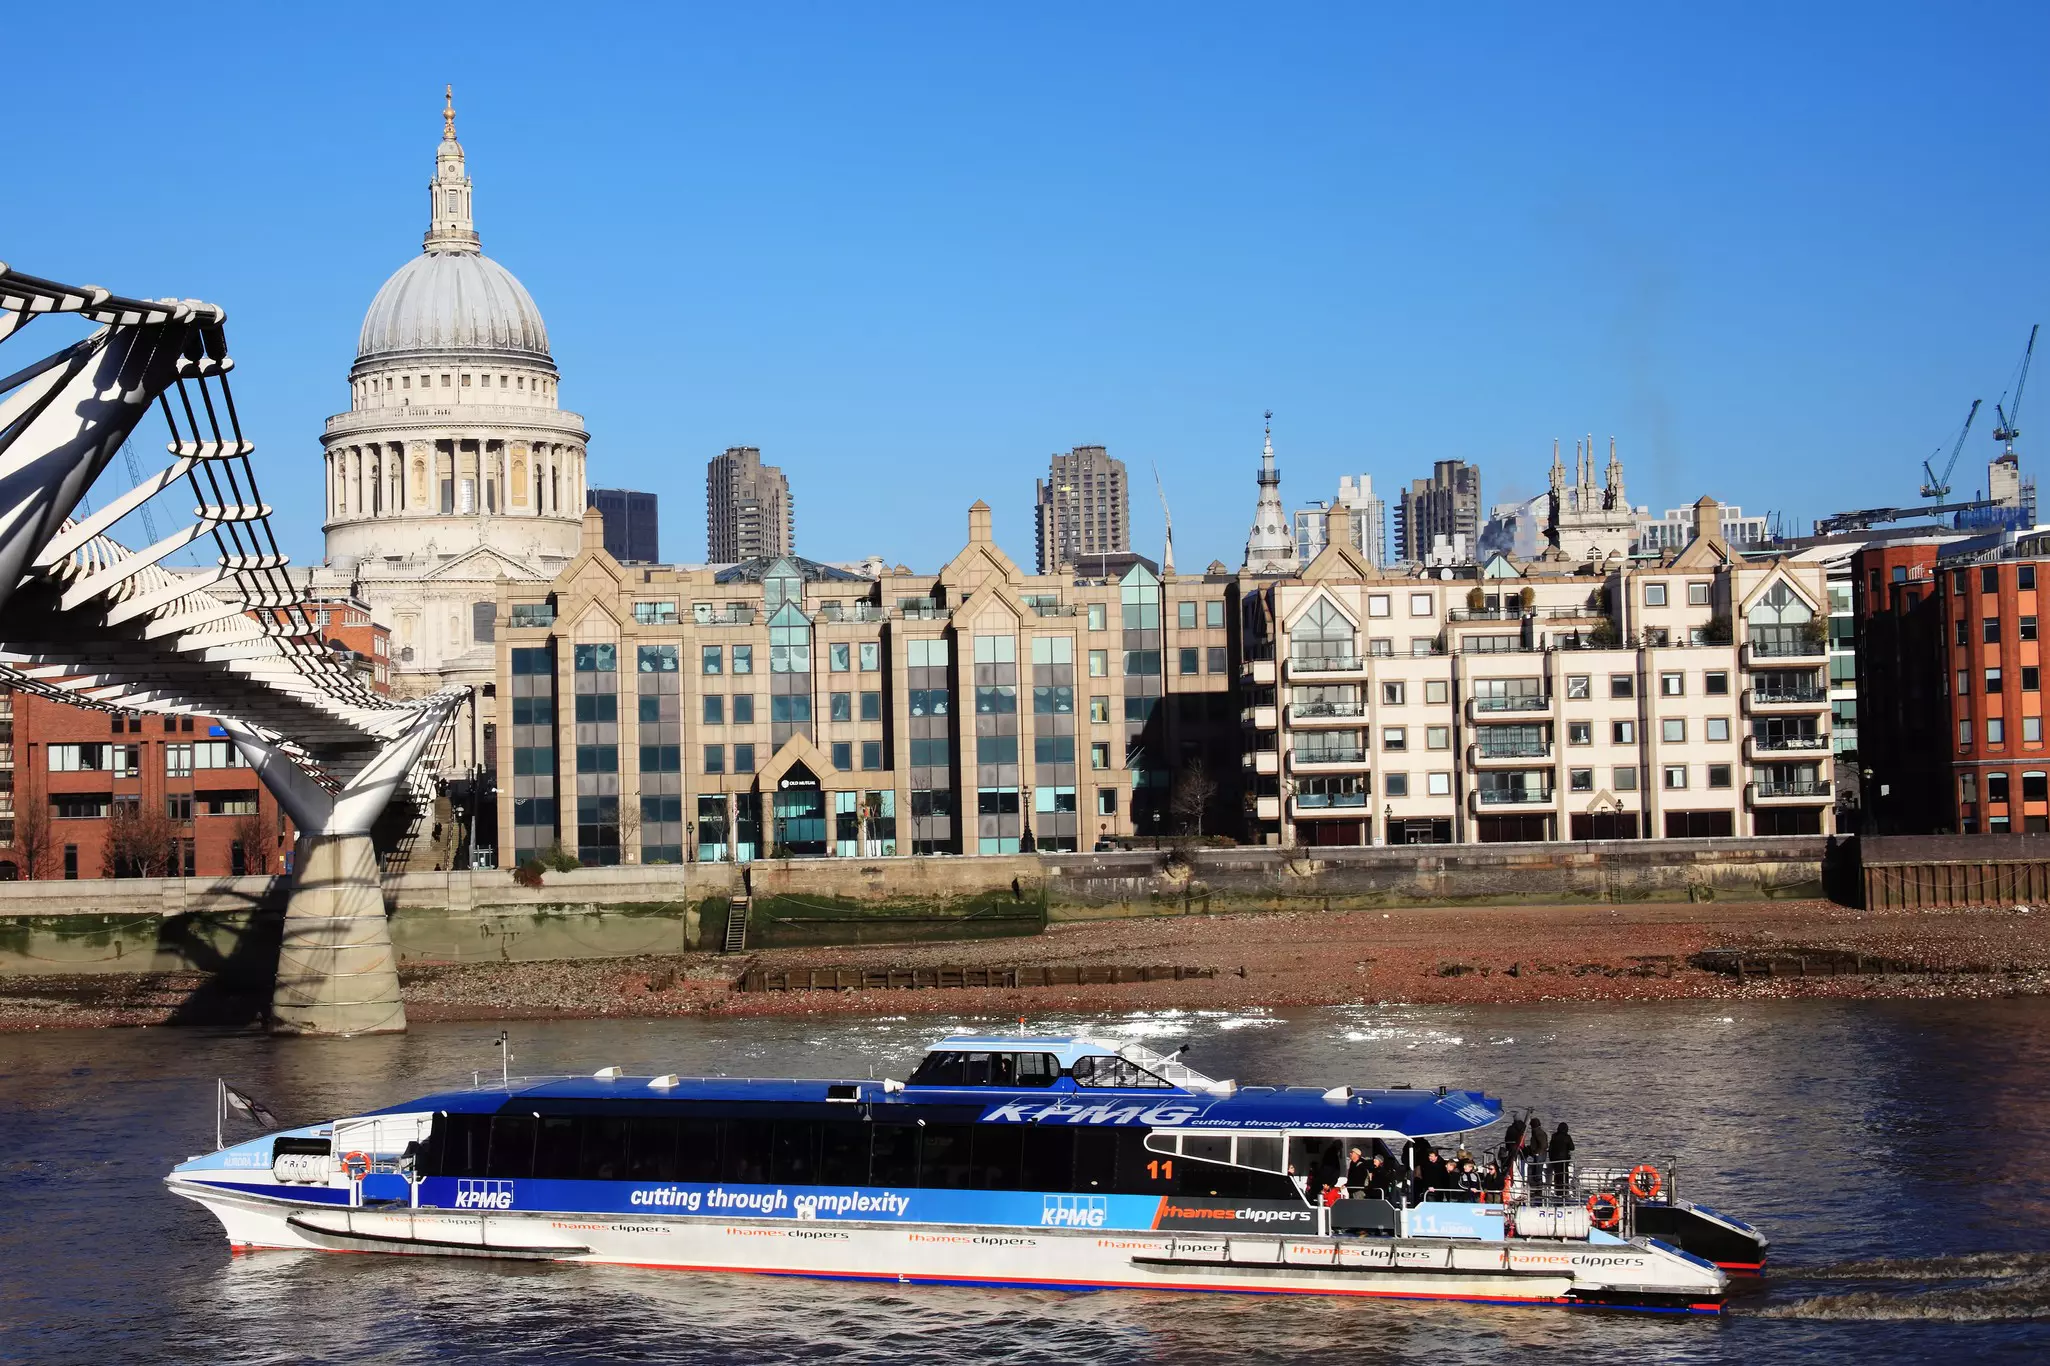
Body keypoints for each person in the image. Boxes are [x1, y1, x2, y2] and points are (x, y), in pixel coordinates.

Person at [1548, 1122, 1575, 1196]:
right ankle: (1565, 1191)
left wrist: (1551, 1158)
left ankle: (1558, 1191)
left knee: (1557, 1176)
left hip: (1555, 1160)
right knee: (1564, 1175)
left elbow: (1550, 1148)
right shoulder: (1567, 1137)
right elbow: (1572, 1147)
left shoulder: (1554, 1136)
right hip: (1564, 1160)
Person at [1524, 1117, 1548, 1186]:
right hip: (1539, 1154)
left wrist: (1537, 1152)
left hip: (1539, 1154)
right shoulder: (1538, 1131)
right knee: (1537, 1169)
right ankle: (1537, 1185)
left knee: (1538, 1170)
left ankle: (1538, 1186)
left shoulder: (1538, 1132)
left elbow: (1543, 1145)